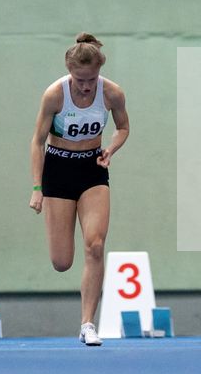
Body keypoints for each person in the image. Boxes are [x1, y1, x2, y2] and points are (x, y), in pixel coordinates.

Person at [29, 34, 131, 346]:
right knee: (62, 262)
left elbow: (123, 127)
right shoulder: (54, 96)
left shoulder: (111, 93)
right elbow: (37, 142)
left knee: (95, 245)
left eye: (91, 80)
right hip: (58, 169)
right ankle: (85, 318)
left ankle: (87, 323)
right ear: (69, 71)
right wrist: (37, 187)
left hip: (92, 169)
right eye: (79, 80)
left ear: (99, 72)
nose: (86, 86)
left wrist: (111, 148)